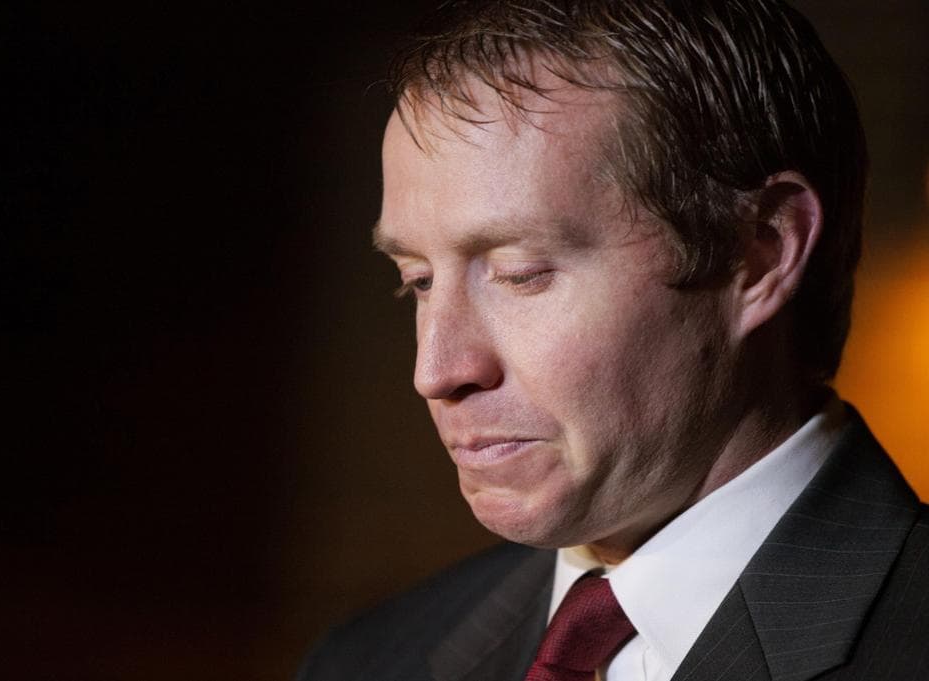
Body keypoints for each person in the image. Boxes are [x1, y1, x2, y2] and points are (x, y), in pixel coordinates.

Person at [298, 1, 929, 679]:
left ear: (762, 253)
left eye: (520, 273)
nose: (437, 370)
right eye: (416, 280)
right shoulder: (367, 659)